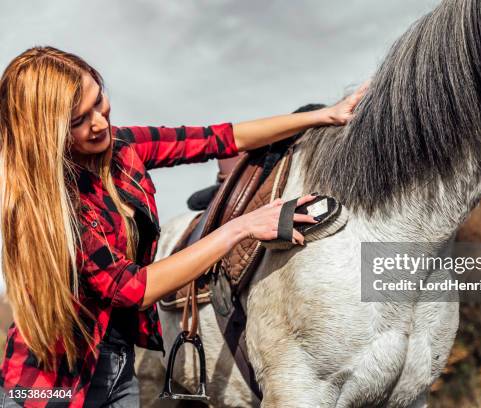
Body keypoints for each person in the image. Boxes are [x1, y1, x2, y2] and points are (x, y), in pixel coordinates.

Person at [0, 46, 368, 407]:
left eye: (98, 101)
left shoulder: (122, 148)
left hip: (117, 361)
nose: (99, 122)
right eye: (77, 121)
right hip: (48, 382)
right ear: (45, 133)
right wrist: (239, 228)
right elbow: (132, 289)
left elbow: (218, 138)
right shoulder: (47, 205)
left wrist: (323, 116)